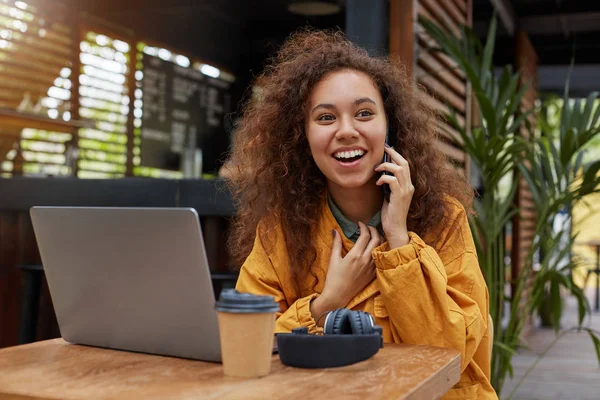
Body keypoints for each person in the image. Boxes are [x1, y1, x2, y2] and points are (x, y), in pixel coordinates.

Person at [226, 29, 497, 399]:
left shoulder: (443, 219)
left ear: (390, 126)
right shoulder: (280, 232)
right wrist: (327, 303)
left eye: (364, 113)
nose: (347, 131)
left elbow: (448, 354)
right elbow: (248, 347)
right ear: (302, 136)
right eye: (325, 118)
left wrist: (399, 242)